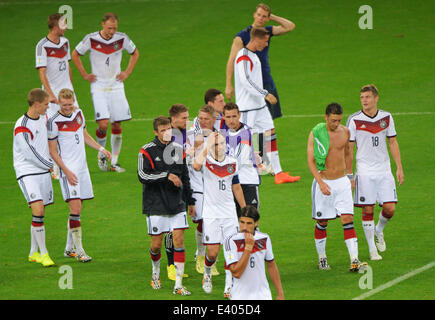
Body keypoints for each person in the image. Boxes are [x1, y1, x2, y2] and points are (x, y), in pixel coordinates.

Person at [47, 88, 111, 262]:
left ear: (74, 101)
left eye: (70, 104)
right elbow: (52, 151)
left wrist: (101, 148)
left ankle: (69, 248)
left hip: (82, 169)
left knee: (78, 209)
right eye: (64, 104)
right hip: (68, 171)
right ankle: (80, 250)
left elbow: (84, 136)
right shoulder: (53, 122)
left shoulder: (78, 114)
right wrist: (65, 171)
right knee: (75, 209)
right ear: (58, 103)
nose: (67, 107)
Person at [72, 12, 139, 173]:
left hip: (116, 85)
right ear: (102, 24)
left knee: (117, 123)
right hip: (99, 86)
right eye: (109, 28)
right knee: (103, 124)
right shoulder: (91, 39)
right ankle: (102, 154)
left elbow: (135, 53)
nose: (112, 31)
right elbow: (75, 54)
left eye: (114, 28)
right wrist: (84, 74)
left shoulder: (122, 38)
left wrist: (127, 72)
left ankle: (114, 162)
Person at [233, 26, 299, 184]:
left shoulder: (254, 56)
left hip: (258, 106)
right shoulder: (243, 56)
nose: (266, 44)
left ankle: (279, 173)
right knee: (243, 139)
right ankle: (235, 173)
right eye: (265, 41)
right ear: (256, 39)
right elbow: (246, 81)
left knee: (270, 132)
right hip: (247, 107)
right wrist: (265, 94)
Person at [137, 116, 195, 296]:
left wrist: (190, 201)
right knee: (156, 245)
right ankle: (156, 273)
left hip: (177, 204)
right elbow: (142, 176)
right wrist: (166, 176)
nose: (166, 132)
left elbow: (185, 177)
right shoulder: (146, 151)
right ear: (156, 132)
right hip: (155, 205)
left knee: (178, 241)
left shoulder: (179, 150)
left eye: (168, 129)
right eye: (162, 130)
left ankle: (178, 284)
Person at [307, 103, 367, 272]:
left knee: (347, 219)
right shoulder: (316, 133)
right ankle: (322, 259)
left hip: (341, 182)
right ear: (326, 117)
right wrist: (320, 182)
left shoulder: (345, 132)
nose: (336, 124)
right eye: (333, 120)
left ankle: (354, 260)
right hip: (323, 182)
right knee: (322, 221)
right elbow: (311, 161)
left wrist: (350, 176)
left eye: (339, 120)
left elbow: (348, 153)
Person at [346, 85, 404, 260]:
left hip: (384, 170)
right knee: (367, 208)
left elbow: (392, 142)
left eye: (368, 97)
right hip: (364, 171)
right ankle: (372, 250)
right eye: (362, 97)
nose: (364, 100)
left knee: (390, 208)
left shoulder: (386, 117)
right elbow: (349, 149)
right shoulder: (354, 120)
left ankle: (379, 230)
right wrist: (350, 175)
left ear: (376, 98)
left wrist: (399, 167)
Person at [193, 131, 246, 298]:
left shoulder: (232, 162)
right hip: (211, 214)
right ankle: (207, 272)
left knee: (230, 251)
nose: (220, 147)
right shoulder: (206, 161)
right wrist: (207, 147)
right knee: (213, 253)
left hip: (229, 212)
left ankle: (228, 286)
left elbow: (236, 186)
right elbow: (195, 166)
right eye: (216, 144)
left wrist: (244, 209)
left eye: (222, 143)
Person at [225, 3, 295, 120]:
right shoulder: (241, 36)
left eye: (264, 16)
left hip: (266, 80)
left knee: (268, 120)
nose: (261, 18)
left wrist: (272, 17)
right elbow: (231, 60)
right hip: (251, 83)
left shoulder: (267, 31)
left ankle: (266, 139)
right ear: (254, 15)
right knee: (252, 119)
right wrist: (228, 84)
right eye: (259, 15)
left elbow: (290, 26)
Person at [13, 88, 55, 267]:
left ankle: (33, 253)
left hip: (42, 172)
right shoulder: (21, 126)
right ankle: (45, 254)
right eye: (46, 104)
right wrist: (51, 165)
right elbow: (30, 154)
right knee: (38, 210)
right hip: (27, 171)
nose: (48, 107)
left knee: (38, 213)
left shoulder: (43, 118)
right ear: (36, 104)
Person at [36, 13, 78, 179]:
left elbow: (67, 66)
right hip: (52, 96)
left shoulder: (65, 42)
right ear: (55, 27)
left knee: (75, 124)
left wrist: (72, 89)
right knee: (52, 130)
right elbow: (42, 72)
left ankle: (70, 162)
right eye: (64, 25)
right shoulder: (42, 46)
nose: (66, 27)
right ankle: (53, 166)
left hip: (67, 94)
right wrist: (50, 95)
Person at [223, 206, 284, 300]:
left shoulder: (264, 239)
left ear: (256, 223)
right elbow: (236, 273)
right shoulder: (230, 241)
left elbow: (271, 265)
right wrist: (248, 247)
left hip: (263, 295)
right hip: (240, 296)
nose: (244, 227)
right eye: (242, 222)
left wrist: (280, 293)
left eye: (249, 223)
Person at [187, 105, 220, 277]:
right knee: (202, 221)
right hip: (196, 184)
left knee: (215, 222)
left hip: (214, 185)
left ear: (214, 119)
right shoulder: (191, 135)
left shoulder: (220, 135)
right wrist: (189, 153)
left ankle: (211, 258)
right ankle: (201, 255)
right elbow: (181, 158)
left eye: (206, 118)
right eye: (200, 118)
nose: (202, 121)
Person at [164, 104, 191, 281]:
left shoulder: (185, 134)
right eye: (184, 118)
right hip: (168, 188)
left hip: (182, 185)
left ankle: (176, 263)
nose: (187, 121)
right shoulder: (168, 136)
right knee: (169, 229)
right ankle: (170, 265)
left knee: (179, 228)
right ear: (173, 120)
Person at [222, 102, 261, 213]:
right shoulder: (224, 134)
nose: (231, 120)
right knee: (234, 221)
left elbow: (237, 160)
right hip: (232, 183)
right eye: (228, 117)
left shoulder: (246, 133)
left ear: (239, 115)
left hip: (248, 182)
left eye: (234, 116)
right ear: (224, 117)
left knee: (250, 219)